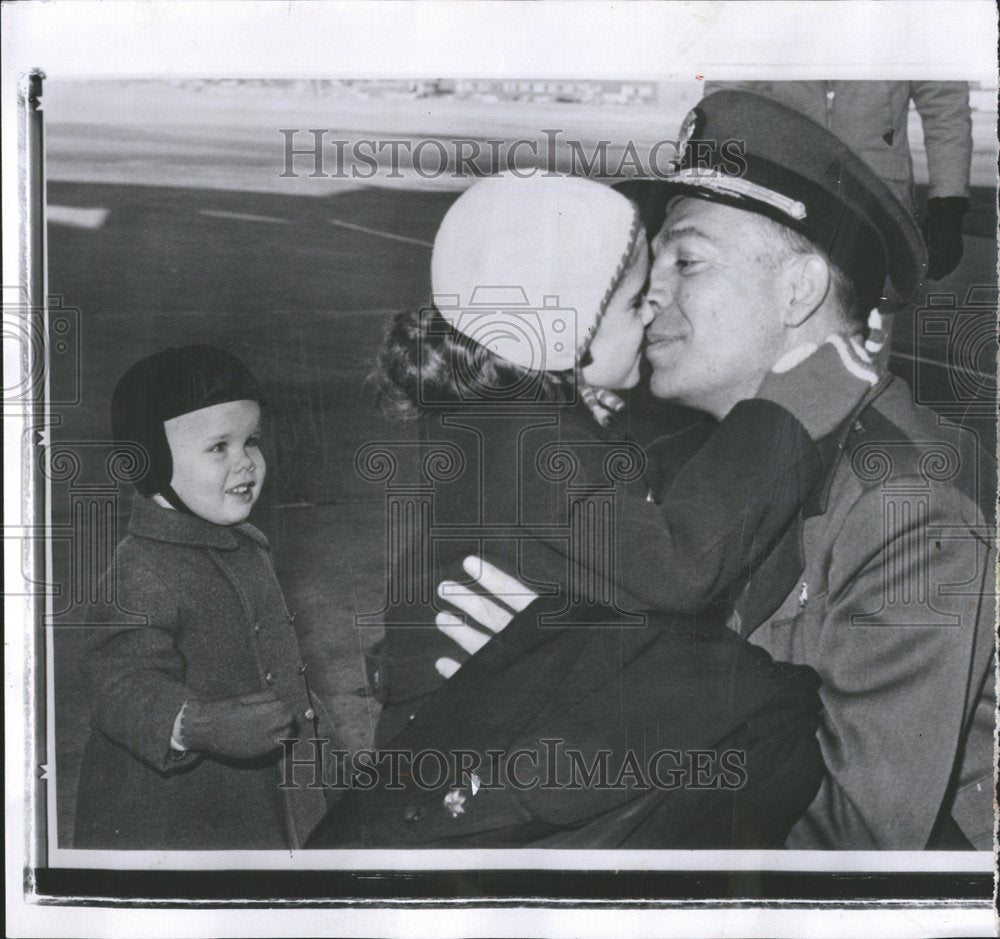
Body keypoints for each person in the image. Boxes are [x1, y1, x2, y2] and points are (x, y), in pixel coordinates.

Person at [459, 91, 996, 850]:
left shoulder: (902, 503)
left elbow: (848, 847)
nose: (649, 294)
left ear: (800, 289)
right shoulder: (713, 449)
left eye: (687, 259)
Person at [306, 174, 879, 849]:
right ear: (566, 331)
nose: (651, 313)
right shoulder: (532, 446)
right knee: (773, 726)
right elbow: (677, 564)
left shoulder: (505, 414)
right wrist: (784, 411)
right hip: (476, 772)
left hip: (471, 741)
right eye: (635, 301)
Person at [74, 346, 329, 850]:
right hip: (175, 810)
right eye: (219, 447)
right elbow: (117, 683)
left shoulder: (248, 544)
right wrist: (192, 724)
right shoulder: (141, 568)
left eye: (251, 441)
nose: (246, 463)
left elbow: (275, 658)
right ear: (151, 460)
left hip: (265, 786)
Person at [704, 80, 973, 280]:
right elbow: (726, 101)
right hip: (778, 210)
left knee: (861, 350)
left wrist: (947, 208)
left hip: (876, 216)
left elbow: (945, 105)